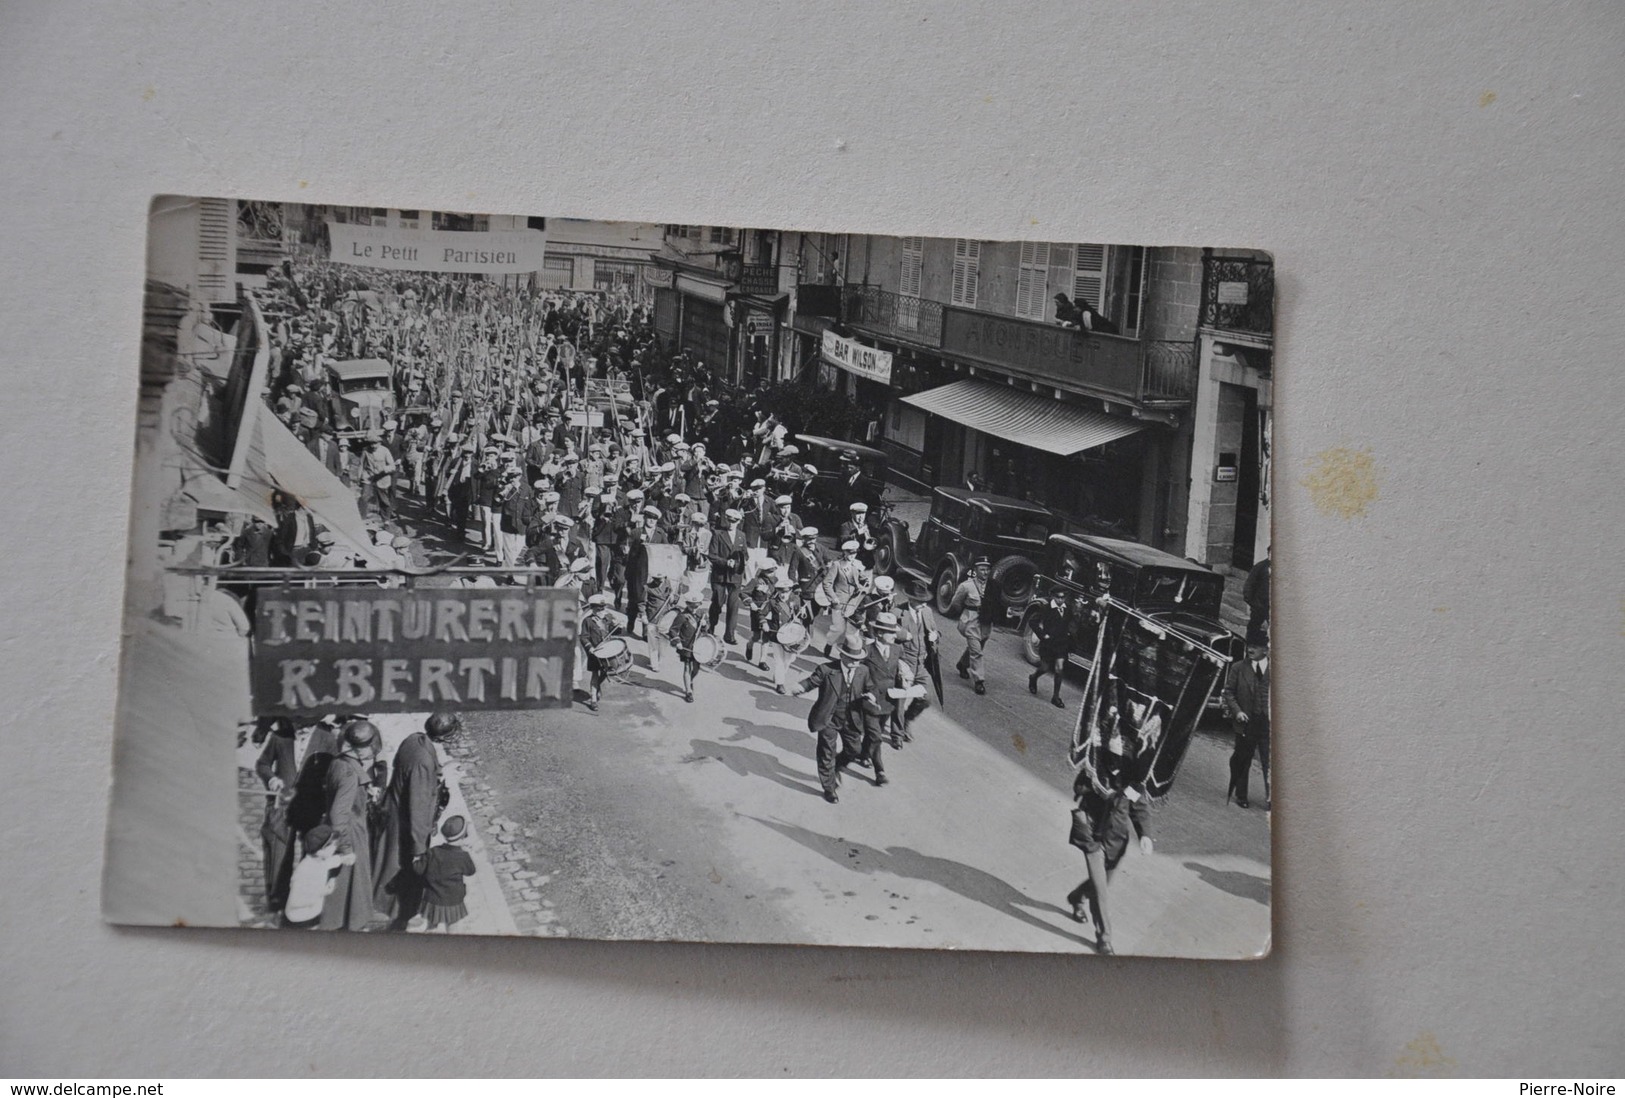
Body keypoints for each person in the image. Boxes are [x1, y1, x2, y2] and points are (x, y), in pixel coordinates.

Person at [371, 709, 460, 929]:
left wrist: (438, 773)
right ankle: (392, 916)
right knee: (399, 870)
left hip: (394, 812)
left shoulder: (413, 740)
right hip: (405, 825)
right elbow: (418, 807)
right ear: (443, 737)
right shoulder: (423, 762)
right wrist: (419, 848)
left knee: (385, 862)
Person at [1065, 756, 1154, 957]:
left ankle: (1076, 897)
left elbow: (1139, 807)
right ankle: (1104, 939)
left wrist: (1145, 835)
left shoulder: (1131, 779)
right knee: (1100, 890)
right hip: (1092, 838)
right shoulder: (1095, 768)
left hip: (1116, 842)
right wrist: (1090, 785)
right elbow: (1078, 788)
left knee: (1102, 883)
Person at [254, 717, 339, 914]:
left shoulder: (327, 739)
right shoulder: (279, 737)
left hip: (312, 807)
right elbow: (263, 764)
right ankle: (277, 902)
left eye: (306, 725)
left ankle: (304, 899)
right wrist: (272, 778)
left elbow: (334, 771)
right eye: (297, 724)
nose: (301, 728)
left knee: (311, 855)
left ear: (315, 723)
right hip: (282, 806)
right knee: (279, 853)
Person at [791, 631, 882, 803]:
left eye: (858, 659)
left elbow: (870, 688)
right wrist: (801, 687)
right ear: (842, 655)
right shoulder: (827, 670)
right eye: (852, 659)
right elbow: (812, 681)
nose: (855, 663)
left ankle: (836, 767)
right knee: (826, 752)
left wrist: (871, 696)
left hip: (852, 718)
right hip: (828, 718)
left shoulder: (863, 671)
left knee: (854, 750)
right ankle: (829, 788)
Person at [316, 719, 382, 931]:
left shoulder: (340, 762)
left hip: (343, 830)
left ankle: (344, 922)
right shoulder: (350, 774)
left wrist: (364, 792)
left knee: (344, 889)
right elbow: (339, 813)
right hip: (349, 833)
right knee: (349, 887)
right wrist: (346, 848)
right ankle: (350, 926)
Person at [1222, 630, 1271, 809]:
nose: (1251, 649)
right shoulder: (1238, 667)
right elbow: (1228, 692)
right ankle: (1241, 795)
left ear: (1266, 650)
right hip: (1246, 722)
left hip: (1267, 724)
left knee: (1270, 761)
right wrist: (1238, 712)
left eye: (1256, 647)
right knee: (1243, 758)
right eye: (1249, 646)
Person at [418, 814, 478, 934]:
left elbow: (418, 869)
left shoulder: (433, 852)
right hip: (453, 901)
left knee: (431, 926)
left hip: (433, 899)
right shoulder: (462, 856)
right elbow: (471, 871)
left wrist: (416, 859)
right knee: (453, 927)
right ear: (463, 837)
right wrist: (469, 852)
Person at [863, 613, 905, 773]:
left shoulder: (897, 649)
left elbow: (899, 668)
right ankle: (879, 771)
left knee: (877, 730)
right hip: (871, 699)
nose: (895, 635)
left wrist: (904, 676)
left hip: (889, 700)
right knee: (875, 734)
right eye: (891, 632)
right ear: (879, 633)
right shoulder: (867, 651)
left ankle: (864, 753)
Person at [949, 557, 995, 695]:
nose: (985, 572)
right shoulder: (966, 586)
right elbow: (956, 602)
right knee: (977, 651)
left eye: (987, 569)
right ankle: (979, 681)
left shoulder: (992, 586)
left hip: (986, 622)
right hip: (971, 621)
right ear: (975, 570)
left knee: (978, 646)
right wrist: (964, 614)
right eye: (982, 569)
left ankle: (962, 664)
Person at [707, 507, 748, 645]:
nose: (731, 524)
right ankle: (711, 627)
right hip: (720, 575)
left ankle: (729, 635)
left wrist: (738, 561)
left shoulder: (742, 535)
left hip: (735, 576)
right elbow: (712, 555)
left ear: (738, 522)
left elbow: (745, 555)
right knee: (717, 603)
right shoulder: (718, 534)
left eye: (734, 521)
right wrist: (725, 562)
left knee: (733, 606)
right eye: (729, 521)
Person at [1027, 589, 1073, 708]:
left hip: (1061, 644)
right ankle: (1033, 677)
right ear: (1053, 597)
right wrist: (1042, 635)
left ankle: (1055, 697)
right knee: (1045, 668)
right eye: (1058, 597)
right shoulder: (1046, 608)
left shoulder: (1067, 609)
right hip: (1048, 644)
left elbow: (1071, 623)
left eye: (1063, 598)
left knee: (1059, 668)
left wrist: (1070, 634)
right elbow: (1033, 622)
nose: (1060, 600)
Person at [579, 592, 617, 711]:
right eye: (598, 608)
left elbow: (615, 631)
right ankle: (593, 699)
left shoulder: (608, 617)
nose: (601, 610)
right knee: (595, 674)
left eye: (603, 608)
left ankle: (597, 687)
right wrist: (590, 648)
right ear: (592, 608)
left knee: (607, 672)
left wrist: (618, 626)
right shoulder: (587, 621)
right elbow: (583, 637)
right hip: (595, 652)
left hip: (608, 650)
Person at [668, 589, 706, 703]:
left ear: (699, 604)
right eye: (692, 606)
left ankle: (690, 681)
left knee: (696, 669)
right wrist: (677, 642)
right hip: (686, 646)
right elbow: (673, 630)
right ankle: (688, 691)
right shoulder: (682, 616)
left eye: (696, 606)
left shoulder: (702, 615)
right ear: (687, 604)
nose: (694, 608)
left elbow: (706, 632)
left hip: (698, 646)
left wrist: (704, 625)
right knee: (687, 667)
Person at [1243, 548, 1270, 636]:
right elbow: (1248, 586)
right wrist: (1254, 603)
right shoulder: (1260, 567)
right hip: (1259, 606)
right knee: (1254, 630)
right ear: (1269, 553)